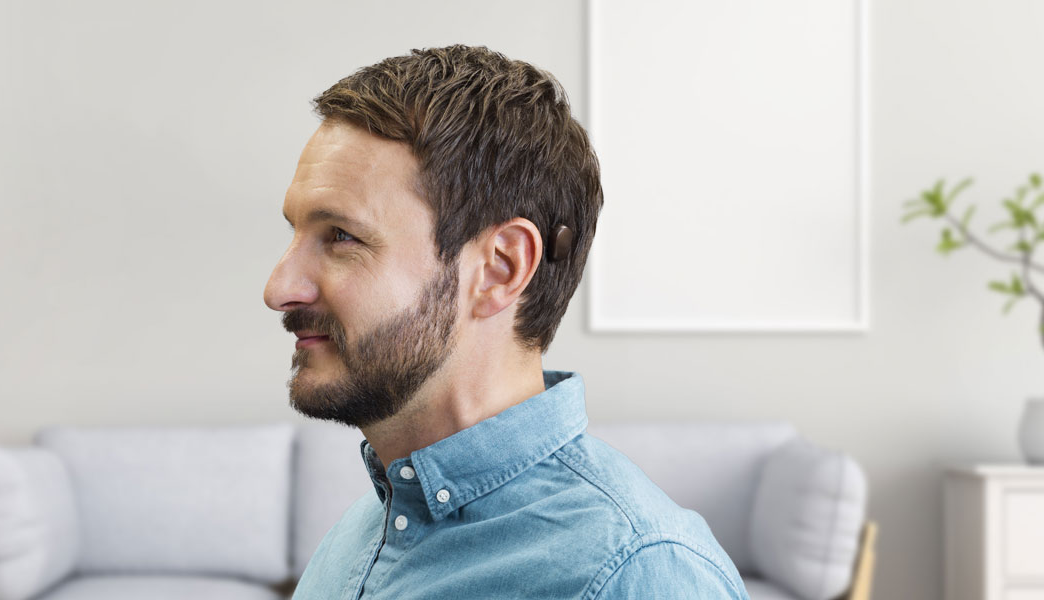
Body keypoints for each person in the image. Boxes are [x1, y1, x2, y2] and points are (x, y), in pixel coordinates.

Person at [266, 45, 750, 599]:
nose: (279, 288)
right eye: (295, 232)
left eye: (341, 236)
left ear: (500, 268)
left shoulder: (637, 574)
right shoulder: (359, 539)